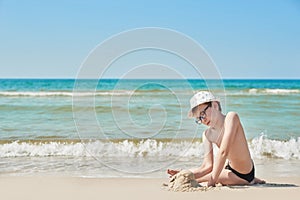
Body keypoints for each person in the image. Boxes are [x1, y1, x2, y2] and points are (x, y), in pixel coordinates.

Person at [167, 91, 265, 186]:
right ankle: (182, 175)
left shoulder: (231, 118)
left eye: (202, 114)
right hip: (229, 167)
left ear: (215, 105)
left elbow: (224, 152)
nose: (203, 119)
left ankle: (251, 180)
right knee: (201, 174)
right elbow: (207, 166)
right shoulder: (207, 135)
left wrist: (212, 182)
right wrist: (185, 173)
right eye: (199, 118)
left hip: (245, 173)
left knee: (204, 179)